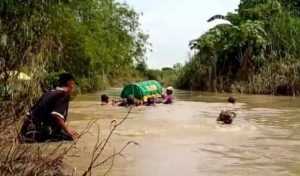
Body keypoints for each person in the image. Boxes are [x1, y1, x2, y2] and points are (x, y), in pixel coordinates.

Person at [19, 73, 79, 143]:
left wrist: (21, 134)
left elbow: (29, 114)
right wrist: (68, 130)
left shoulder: (49, 93)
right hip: (38, 133)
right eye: (74, 84)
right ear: (70, 83)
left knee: (62, 133)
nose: (74, 87)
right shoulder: (64, 94)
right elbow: (56, 115)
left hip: (27, 132)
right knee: (70, 137)